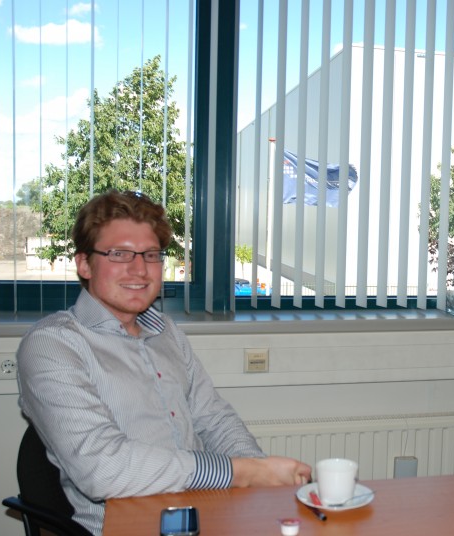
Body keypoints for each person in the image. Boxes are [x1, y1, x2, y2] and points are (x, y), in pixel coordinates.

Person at [16, 190, 312, 535]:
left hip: (207, 512)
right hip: (127, 526)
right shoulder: (52, 344)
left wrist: (260, 474)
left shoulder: (166, 332)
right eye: (119, 254)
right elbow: (103, 469)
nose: (140, 270)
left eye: (151, 255)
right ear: (84, 264)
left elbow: (214, 419)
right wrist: (241, 473)